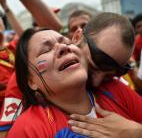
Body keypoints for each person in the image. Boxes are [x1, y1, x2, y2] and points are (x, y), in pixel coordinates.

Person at [6, 26, 142, 138]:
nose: (63, 48)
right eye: (46, 50)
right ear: (31, 82)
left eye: (66, 42)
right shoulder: (28, 130)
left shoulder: (115, 90)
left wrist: (136, 132)